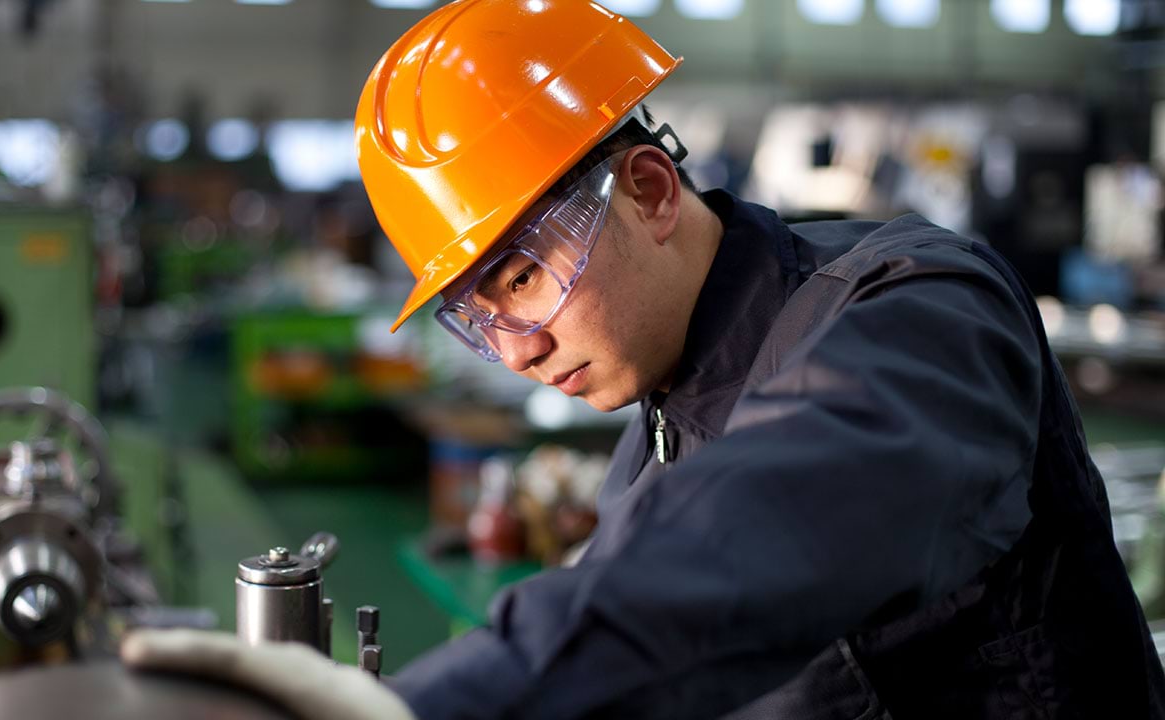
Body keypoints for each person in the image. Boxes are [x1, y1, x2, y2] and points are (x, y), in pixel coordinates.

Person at [123, 1, 1165, 717]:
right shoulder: (648, 448)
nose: (517, 347)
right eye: (473, 316)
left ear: (652, 192)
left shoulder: (918, 310)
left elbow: (755, 533)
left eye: (523, 278)